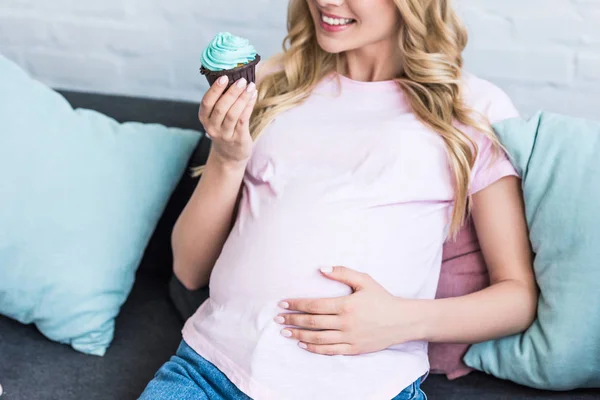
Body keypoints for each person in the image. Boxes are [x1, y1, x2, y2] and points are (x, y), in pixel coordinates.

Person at [140, 0, 538, 399]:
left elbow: (517, 297)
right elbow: (190, 270)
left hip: (369, 388)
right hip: (211, 370)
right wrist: (227, 158)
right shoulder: (272, 83)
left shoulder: (471, 108)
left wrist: (405, 320)